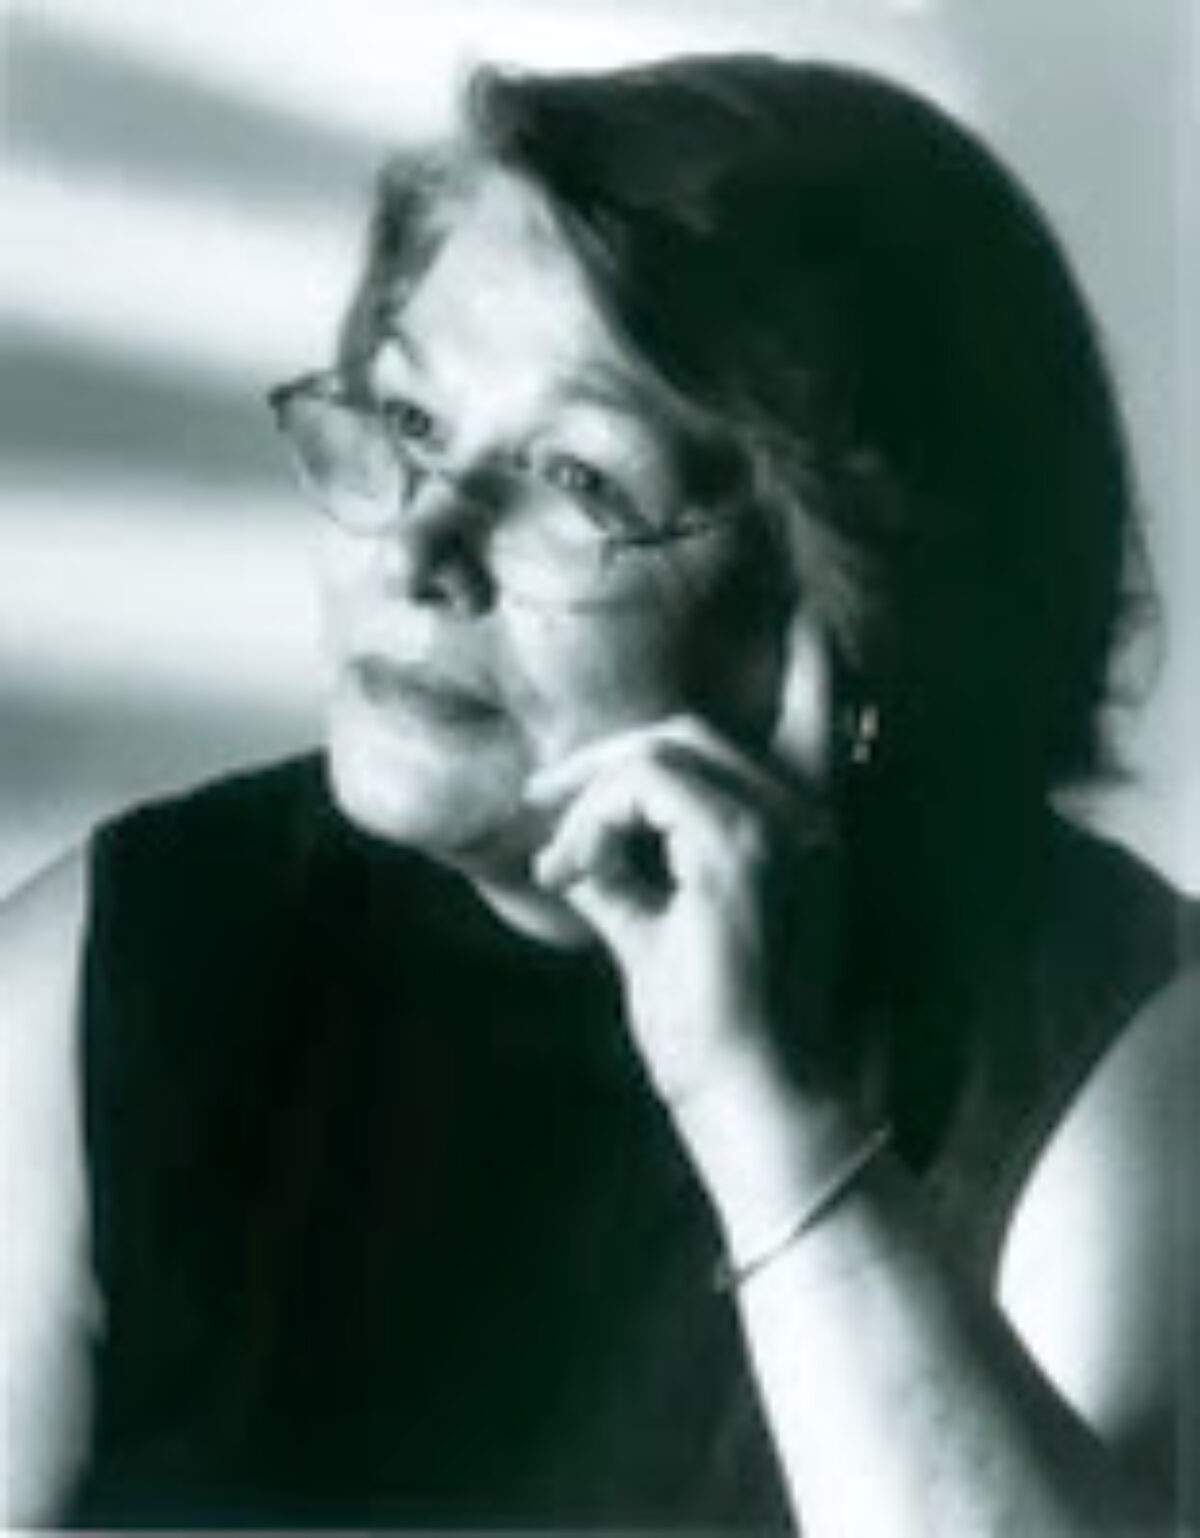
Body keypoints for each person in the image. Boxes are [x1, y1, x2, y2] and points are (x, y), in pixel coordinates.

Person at [2, 53, 1197, 1533]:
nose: (415, 549)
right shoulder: (123, 953)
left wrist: (767, 1122)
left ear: (851, 598)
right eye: (410, 423)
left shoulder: (1127, 1046)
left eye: (577, 479)